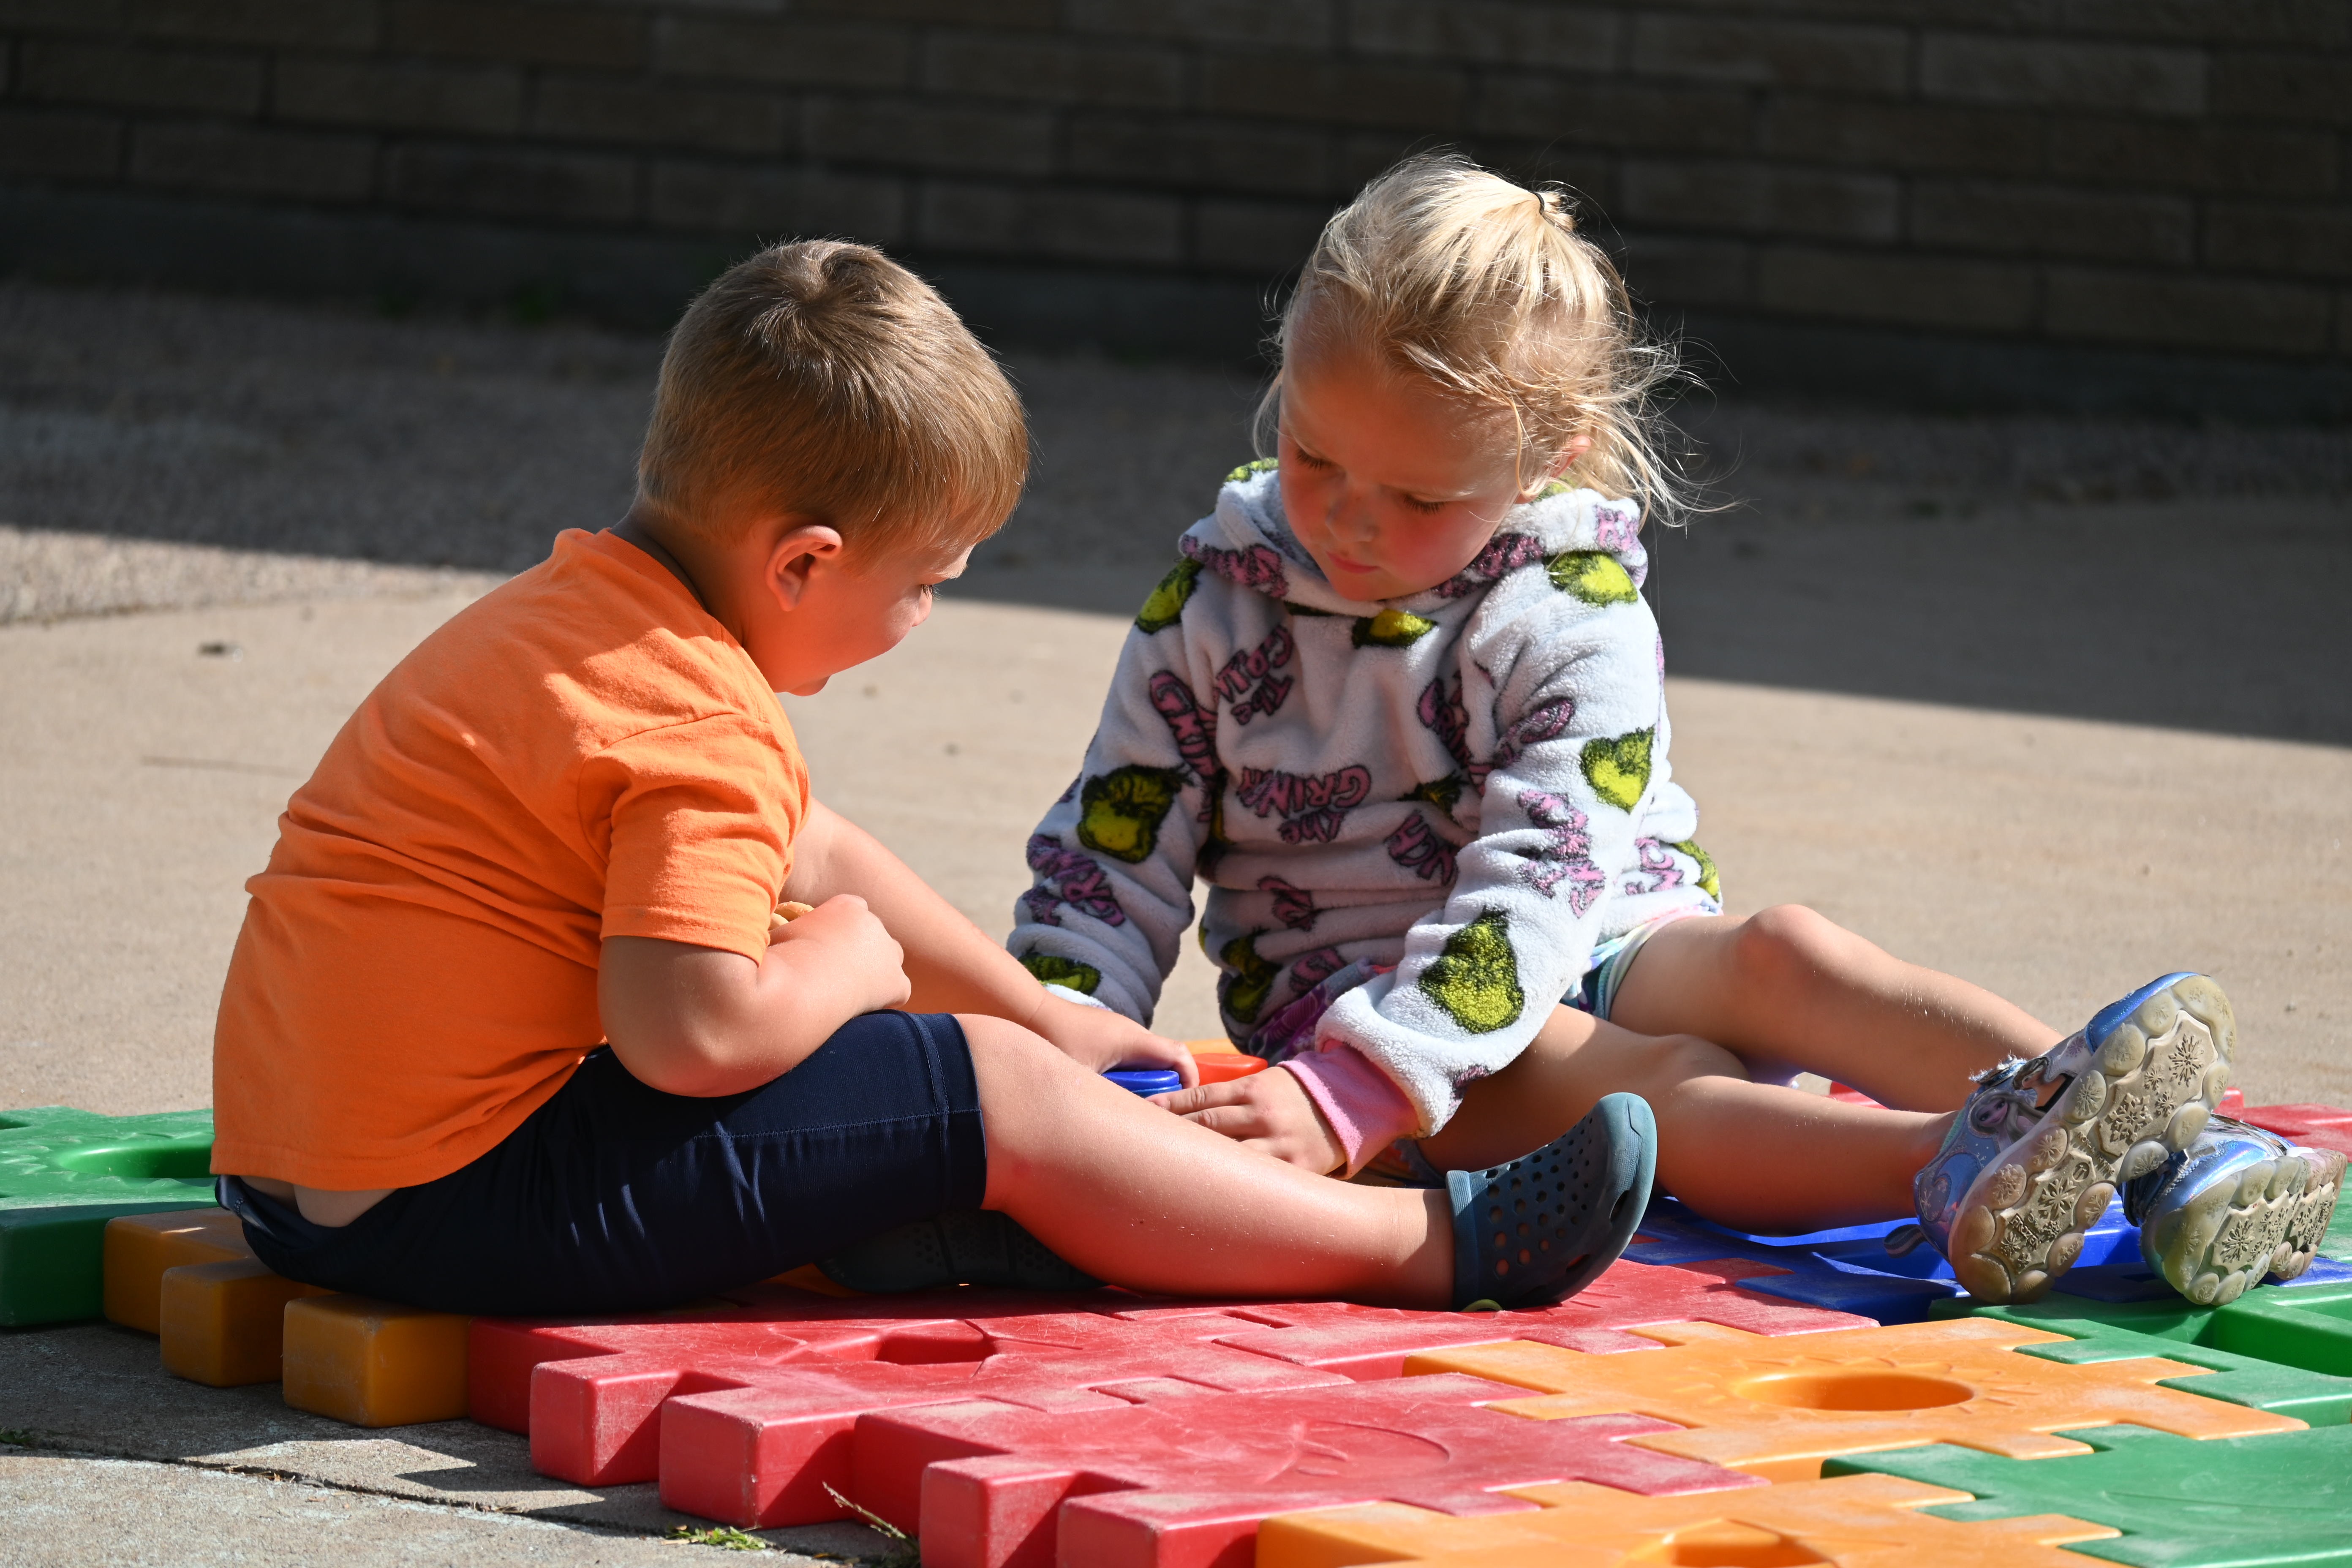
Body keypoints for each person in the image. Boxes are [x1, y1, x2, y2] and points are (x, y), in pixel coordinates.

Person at [207, 238, 1653, 1320]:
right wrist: (852, 970)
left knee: (991, 1056)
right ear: (806, 563)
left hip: (301, 1191)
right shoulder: (699, 722)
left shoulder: (568, 623)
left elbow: (812, 847)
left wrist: (1040, 1010)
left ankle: (1012, 1192)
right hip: (444, 1214)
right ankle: (1435, 1249)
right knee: (978, 1093)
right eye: (925, 585)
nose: (925, 621)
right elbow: (690, 1040)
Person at [1009, 153, 2343, 1309]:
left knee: (1785, 951)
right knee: (1649, 1092)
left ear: (1555, 454)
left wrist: (1355, 1094)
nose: (1347, 519)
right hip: (1375, 1022)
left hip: (1593, 933)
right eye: (1311, 457)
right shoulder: (1219, 601)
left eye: (1415, 494)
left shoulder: (1573, 607)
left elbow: (1547, 878)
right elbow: (1110, 853)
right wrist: (1057, 1039)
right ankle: (1953, 1163)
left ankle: (2173, 1146)